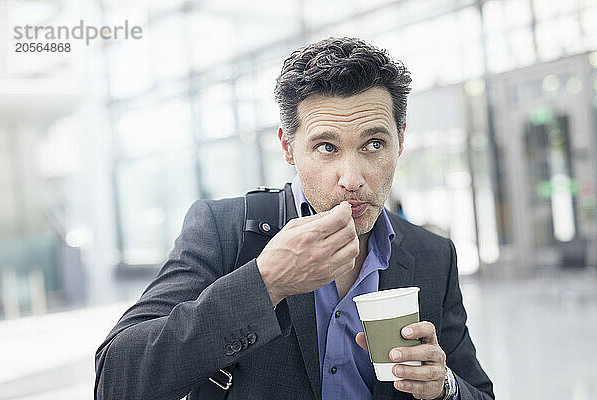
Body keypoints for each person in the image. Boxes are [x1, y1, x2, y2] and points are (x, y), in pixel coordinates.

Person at [95, 37, 494, 400]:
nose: (352, 180)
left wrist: (445, 387)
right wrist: (266, 282)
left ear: (401, 139)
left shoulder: (432, 255)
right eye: (326, 147)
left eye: (374, 144)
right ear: (289, 147)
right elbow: (116, 379)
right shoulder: (224, 231)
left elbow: (478, 393)